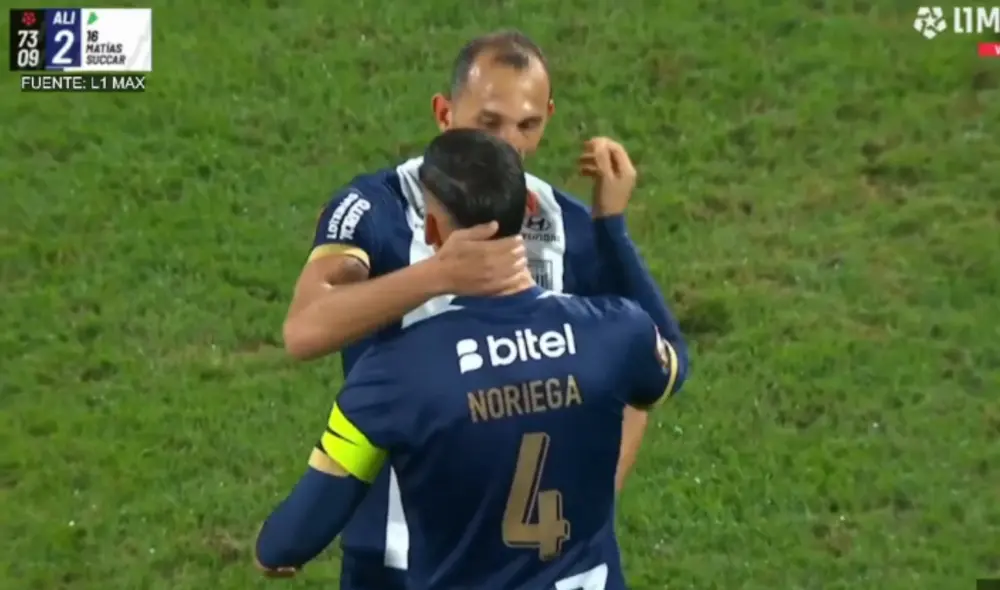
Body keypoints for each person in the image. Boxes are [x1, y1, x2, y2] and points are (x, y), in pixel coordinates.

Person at [281, 30, 688, 590]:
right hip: (390, 548)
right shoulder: (375, 208)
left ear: (548, 118)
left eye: (528, 125)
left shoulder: (563, 223)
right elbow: (304, 330)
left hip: (524, 562)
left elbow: (640, 364)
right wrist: (438, 275)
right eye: (489, 122)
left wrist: (594, 502)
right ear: (445, 114)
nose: (508, 146)